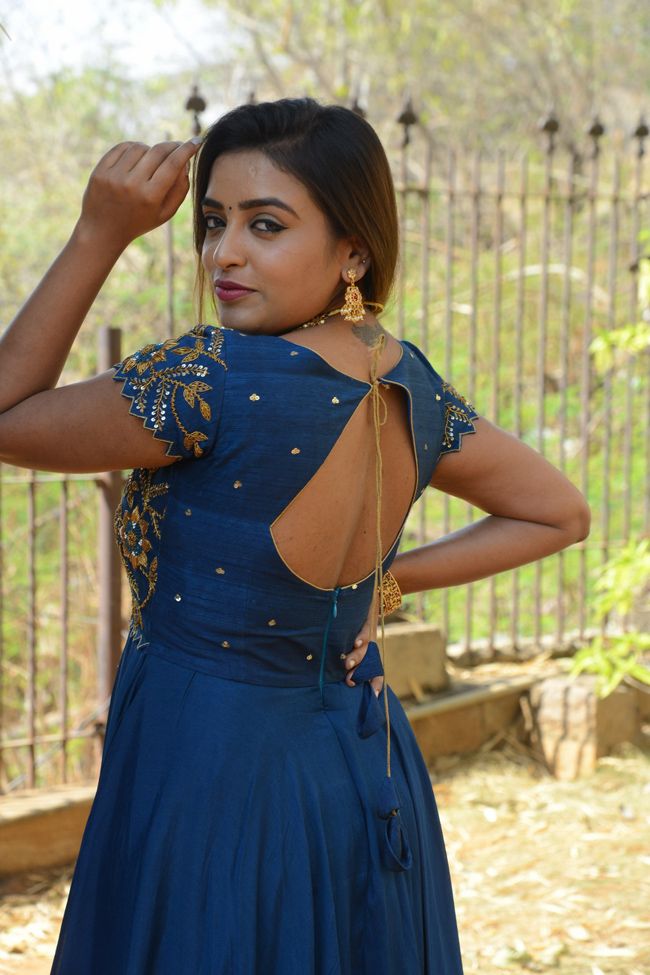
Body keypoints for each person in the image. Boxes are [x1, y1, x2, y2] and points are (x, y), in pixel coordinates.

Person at [0, 98, 590, 974]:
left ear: (354, 252)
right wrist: (391, 584)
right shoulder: (410, 382)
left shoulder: (210, 380)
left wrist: (98, 234)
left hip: (208, 762)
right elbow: (559, 513)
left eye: (265, 225)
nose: (224, 253)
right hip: (360, 764)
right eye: (214, 222)